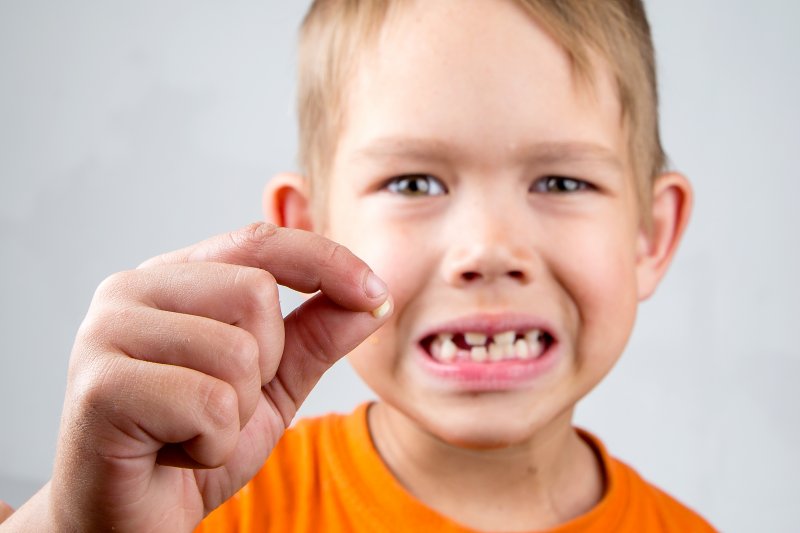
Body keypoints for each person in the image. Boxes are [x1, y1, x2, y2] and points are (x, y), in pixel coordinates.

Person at [2, 0, 717, 531]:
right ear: (309, 232)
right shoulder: (196, 499)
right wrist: (75, 523)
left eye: (561, 183)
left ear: (650, 235)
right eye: (413, 183)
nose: (490, 249)